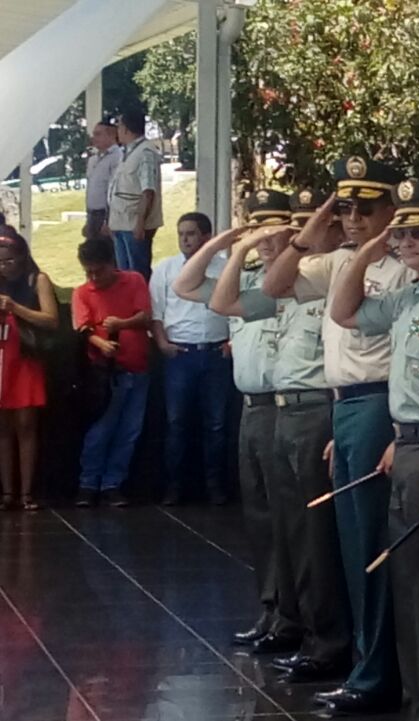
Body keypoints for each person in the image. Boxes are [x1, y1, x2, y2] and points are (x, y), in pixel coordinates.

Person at [263, 157, 410, 704]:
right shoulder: (338, 258)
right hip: (343, 405)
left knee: (370, 543)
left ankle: (376, 673)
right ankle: (360, 661)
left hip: (377, 404)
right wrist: (316, 224)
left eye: (363, 208)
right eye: (344, 207)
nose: (351, 218)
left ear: (391, 212)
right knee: (349, 547)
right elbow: (277, 282)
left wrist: (394, 426)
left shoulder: (398, 267)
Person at [329, 179, 419, 720]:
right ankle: (417, 700)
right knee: (407, 584)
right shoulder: (408, 296)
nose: (407, 242)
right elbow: (345, 311)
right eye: (402, 232)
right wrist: (372, 247)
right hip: (406, 440)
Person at [219, 188, 353, 681]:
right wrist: (235, 249)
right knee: (281, 528)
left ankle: (323, 637)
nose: (298, 236)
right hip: (278, 410)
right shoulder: (292, 285)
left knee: (314, 535)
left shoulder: (335, 274)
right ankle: (291, 620)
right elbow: (218, 298)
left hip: (316, 410)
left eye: (307, 226)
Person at [172, 189, 302, 651]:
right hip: (250, 406)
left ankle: (292, 613)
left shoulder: (297, 282)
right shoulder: (240, 277)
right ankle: (271, 608)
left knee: (288, 520)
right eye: (259, 229)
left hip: (283, 404)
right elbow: (184, 286)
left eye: (275, 230)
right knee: (260, 518)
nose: (267, 240)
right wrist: (228, 243)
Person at [150, 212, 232, 506]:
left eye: (191, 233)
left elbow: (239, 308)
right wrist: (162, 343)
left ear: (207, 237)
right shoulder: (166, 269)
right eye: (181, 233)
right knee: (176, 422)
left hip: (215, 353)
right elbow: (156, 312)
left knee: (217, 424)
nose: (185, 239)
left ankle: (215, 486)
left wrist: (232, 341)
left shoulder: (225, 268)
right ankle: (173, 487)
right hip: (180, 354)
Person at [73, 237, 153, 508]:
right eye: (89, 272)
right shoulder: (83, 292)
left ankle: (112, 483)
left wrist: (122, 323)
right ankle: (88, 483)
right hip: (105, 374)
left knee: (129, 431)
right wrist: (100, 342)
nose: (94, 277)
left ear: (111, 264)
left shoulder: (133, 281)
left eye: (99, 271)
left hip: (137, 367)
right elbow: (82, 327)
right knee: (100, 430)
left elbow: (145, 316)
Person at [0, 233, 57, 511]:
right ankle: (7, 492)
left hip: (25, 358)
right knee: (3, 428)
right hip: (2, 359)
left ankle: (27, 492)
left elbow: (51, 320)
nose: (3, 267)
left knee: (26, 426)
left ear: (22, 258)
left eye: (9, 261)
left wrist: (15, 308)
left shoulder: (38, 280)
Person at [107, 108, 164, 278]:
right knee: (124, 273)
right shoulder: (128, 151)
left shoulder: (145, 152)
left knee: (137, 273)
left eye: (119, 127)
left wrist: (140, 222)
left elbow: (148, 190)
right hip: (120, 222)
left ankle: (141, 304)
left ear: (125, 129)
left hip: (134, 224)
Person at [84, 120, 121, 241]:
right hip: (92, 214)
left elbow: (115, 189)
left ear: (111, 135)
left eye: (98, 134)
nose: (94, 138)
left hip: (105, 214)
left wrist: (108, 220)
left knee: (106, 252)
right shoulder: (93, 160)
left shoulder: (117, 157)